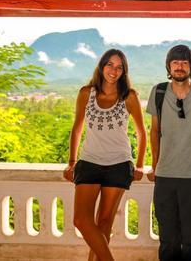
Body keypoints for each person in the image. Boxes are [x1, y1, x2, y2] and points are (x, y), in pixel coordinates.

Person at [63, 48, 146, 261]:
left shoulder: (129, 96)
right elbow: (77, 128)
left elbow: (141, 131)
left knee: (104, 223)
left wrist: (139, 164)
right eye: (110, 64)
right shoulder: (86, 93)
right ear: (102, 66)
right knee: (81, 220)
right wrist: (71, 162)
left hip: (118, 164)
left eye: (119, 67)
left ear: (123, 71)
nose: (113, 70)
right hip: (89, 162)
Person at [146, 44, 191, 261]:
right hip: (165, 174)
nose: (179, 66)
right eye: (175, 62)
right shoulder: (158, 92)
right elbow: (154, 132)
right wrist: (154, 165)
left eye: (184, 62)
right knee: (168, 236)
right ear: (169, 66)